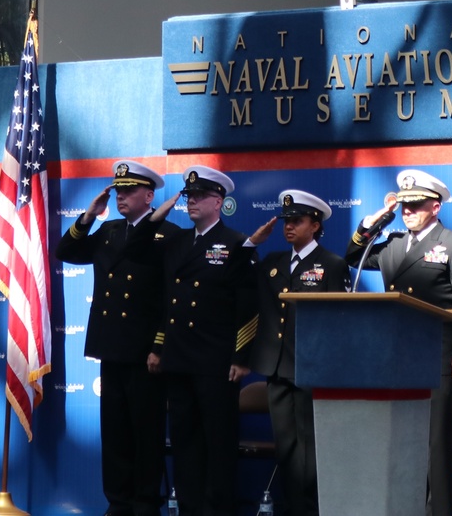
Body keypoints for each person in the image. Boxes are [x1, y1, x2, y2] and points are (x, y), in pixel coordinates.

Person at [345, 168, 452, 516]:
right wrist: (376, 220)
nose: (408, 212)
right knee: (402, 443)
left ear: (435, 207)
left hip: (436, 355)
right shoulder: (391, 245)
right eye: (404, 206)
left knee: (434, 443)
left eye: (416, 205)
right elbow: (352, 256)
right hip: (396, 357)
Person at [55, 159, 181, 516]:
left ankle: (144, 503)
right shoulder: (109, 230)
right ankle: (118, 503)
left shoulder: (168, 236)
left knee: (145, 432)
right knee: (115, 432)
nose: (122, 196)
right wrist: (88, 216)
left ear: (149, 195)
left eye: (129, 191)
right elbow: (66, 252)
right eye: (119, 191)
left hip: (144, 351)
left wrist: (159, 344)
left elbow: (168, 298)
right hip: (111, 346)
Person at [147, 165, 258, 516]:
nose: (190, 202)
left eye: (198, 197)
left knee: (217, 443)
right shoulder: (177, 242)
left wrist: (241, 356)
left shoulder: (237, 243)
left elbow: (248, 306)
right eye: (188, 196)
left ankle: (217, 510)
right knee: (185, 443)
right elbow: (168, 301)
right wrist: (160, 346)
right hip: (179, 359)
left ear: (218, 201)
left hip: (215, 361)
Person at [248, 190, 351, 516]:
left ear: (315, 224)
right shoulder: (273, 262)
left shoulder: (332, 264)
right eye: (286, 221)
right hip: (276, 368)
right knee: (287, 450)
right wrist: (252, 243)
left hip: (311, 369)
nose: (288, 226)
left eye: (297, 220)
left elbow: (339, 322)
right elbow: (238, 275)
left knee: (310, 450)